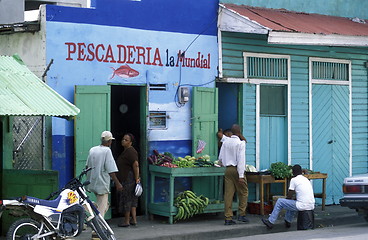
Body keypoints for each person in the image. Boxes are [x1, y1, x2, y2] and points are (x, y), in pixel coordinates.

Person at [261, 164, 315, 229]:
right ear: (301, 172)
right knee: (291, 202)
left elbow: (289, 195)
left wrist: (286, 200)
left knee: (280, 201)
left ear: (293, 172)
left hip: (302, 205)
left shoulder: (294, 180)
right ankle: (288, 221)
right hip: (311, 205)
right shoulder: (306, 179)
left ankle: (270, 221)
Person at [85, 130, 123, 218]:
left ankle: (89, 211)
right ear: (110, 141)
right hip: (102, 183)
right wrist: (117, 183)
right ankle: (98, 227)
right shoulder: (107, 151)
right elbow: (111, 170)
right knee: (102, 208)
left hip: (92, 182)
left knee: (104, 204)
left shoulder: (93, 150)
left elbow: (87, 166)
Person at [218, 124, 249, 225]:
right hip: (237, 170)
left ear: (231, 132)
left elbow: (220, 158)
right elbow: (241, 160)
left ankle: (228, 218)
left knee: (228, 194)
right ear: (239, 132)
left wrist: (223, 164)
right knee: (243, 192)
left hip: (228, 170)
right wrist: (241, 175)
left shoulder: (226, 142)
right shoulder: (240, 144)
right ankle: (241, 214)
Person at [116, 133, 141, 227]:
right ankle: (134, 220)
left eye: (126, 140)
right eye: (123, 139)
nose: (123, 141)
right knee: (132, 199)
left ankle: (126, 221)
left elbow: (136, 165)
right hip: (129, 178)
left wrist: (136, 178)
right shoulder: (126, 151)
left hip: (128, 178)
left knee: (127, 199)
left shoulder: (131, 151)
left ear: (131, 142)